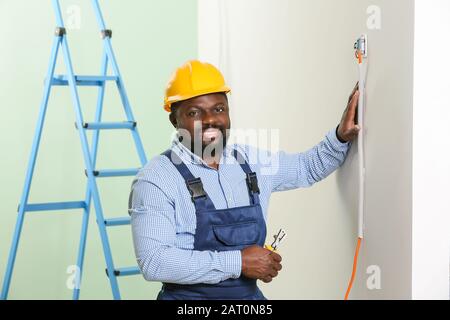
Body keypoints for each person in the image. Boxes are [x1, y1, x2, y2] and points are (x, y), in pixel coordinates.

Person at [129, 60, 360, 300]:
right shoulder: (156, 178)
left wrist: (340, 136)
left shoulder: (250, 161)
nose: (210, 119)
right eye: (194, 112)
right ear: (175, 120)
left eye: (219, 109)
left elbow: (306, 168)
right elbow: (154, 261)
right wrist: (238, 262)